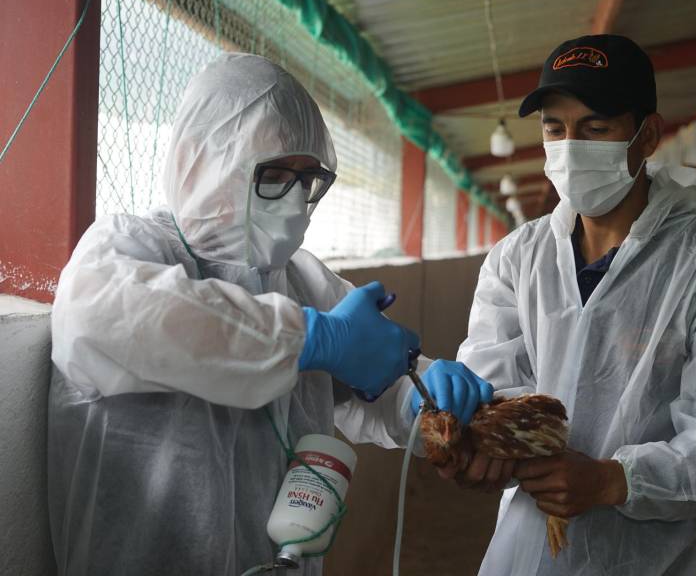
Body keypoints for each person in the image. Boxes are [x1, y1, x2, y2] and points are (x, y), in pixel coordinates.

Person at [48, 53, 489, 576]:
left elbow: (370, 385)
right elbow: (103, 316)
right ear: (200, 158)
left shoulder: (301, 278)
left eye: (307, 181)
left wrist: (422, 402)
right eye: (275, 174)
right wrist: (307, 340)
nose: (296, 202)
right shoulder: (133, 247)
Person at [415, 35, 696, 575]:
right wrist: (478, 448)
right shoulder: (517, 259)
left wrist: (616, 479)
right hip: (522, 553)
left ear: (648, 136)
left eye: (596, 128)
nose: (571, 147)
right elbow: (492, 388)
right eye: (555, 129)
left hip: (646, 560)